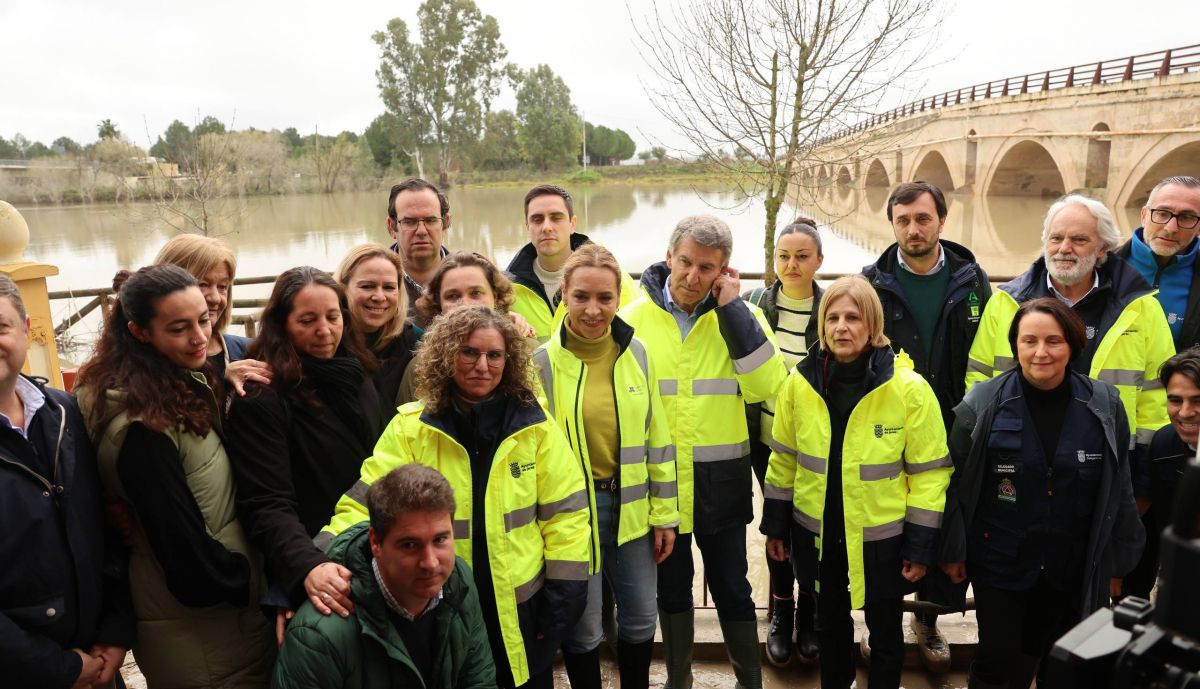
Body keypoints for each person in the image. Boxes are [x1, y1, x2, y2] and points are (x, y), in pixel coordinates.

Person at [320, 306, 590, 689]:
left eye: (494, 355)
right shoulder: (412, 429)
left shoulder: (536, 428)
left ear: (508, 360)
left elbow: (566, 518)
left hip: (521, 610)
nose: (483, 365)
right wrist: (316, 562)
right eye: (469, 352)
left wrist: (563, 600)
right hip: (441, 607)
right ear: (447, 355)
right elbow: (365, 504)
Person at [75, 265, 274, 687]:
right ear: (140, 332)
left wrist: (219, 376)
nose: (201, 337)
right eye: (180, 328)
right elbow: (187, 560)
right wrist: (249, 578)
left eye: (204, 320)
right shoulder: (144, 425)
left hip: (210, 626)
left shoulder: (169, 388)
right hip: (204, 631)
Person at [619, 215, 788, 689]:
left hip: (722, 481)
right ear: (669, 256)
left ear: (725, 271)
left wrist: (734, 312)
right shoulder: (632, 317)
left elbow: (766, 386)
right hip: (661, 487)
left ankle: (748, 681)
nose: (693, 277)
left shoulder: (743, 317)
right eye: (686, 263)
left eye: (707, 268)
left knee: (733, 587)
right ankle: (679, 679)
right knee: (672, 590)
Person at [941, 297, 1144, 689]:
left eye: (1053, 341)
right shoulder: (981, 405)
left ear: (1071, 344)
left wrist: (1117, 564)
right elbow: (953, 485)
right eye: (1028, 340)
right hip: (1001, 567)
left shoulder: (1104, 406)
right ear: (1015, 345)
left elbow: (1119, 489)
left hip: (1073, 570)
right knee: (999, 667)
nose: (1040, 352)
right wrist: (953, 552)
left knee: (1066, 669)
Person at [762, 275, 952, 689]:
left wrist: (920, 546)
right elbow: (784, 459)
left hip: (882, 537)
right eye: (832, 317)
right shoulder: (800, 382)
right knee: (829, 625)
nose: (841, 327)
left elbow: (930, 474)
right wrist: (776, 525)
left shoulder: (908, 389)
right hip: (818, 532)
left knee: (884, 633)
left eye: (853, 317)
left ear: (873, 326)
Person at [965, 194, 1174, 519]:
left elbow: (1159, 400)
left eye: (1079, 239)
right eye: (1056, 238)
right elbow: (979, 380)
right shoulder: (1005, 303)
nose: (1064, 248)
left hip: (1109, 467)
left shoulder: (1141, 309)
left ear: (1103, 249)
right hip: (1017, 465)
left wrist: (1142, 482)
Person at [530, 244, 679, 689]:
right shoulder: (541, 363)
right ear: (564, 298)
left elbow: (659, 438)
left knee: (639, 618)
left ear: (618, 298)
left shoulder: (640, 354)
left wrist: (665, 515)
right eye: (581, 297)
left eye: (605, 298)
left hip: (632, 508)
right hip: (573, 516)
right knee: (584, 624)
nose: (594, 310)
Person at [862, 180, 991, 669]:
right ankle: (885, 624)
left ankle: (929, 620)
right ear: (892, 224)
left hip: (957, 426)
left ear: (942, 219)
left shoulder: (973, 280)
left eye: (922, 218)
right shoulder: (872, 281)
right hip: (892, 432)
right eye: (903, 220)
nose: (913, 229)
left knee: (944, 525)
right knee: (893, 528)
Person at [225, 267, 384, 633]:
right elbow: (267, 503)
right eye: (307, 320)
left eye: (333, 317)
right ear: (282, 325)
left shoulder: (358, 373)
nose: (325, 331)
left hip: (375, 551)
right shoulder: (263, 397)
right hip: (320, 558)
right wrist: (305, 568)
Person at [0, 274, 134, 689]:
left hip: (97, 665)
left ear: (25, 330)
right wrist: (59, 670)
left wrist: (114, 633)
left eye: (0, 328)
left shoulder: (64, 413)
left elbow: (107, 527)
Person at [271, 464, 496, 689]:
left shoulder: (459, 581)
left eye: (440, 540)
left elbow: (479, 681)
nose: (430, 562)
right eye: (410, 545)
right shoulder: (319, 634)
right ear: (376, 542)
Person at [741, 217, 824, 667]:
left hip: (814, 445)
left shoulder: (832, 308)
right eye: (783, 256)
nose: (791, 265)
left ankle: (808, 610)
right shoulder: (756, 303)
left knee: (809, 526)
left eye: (802, 257)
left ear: (819, 261)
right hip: (765, 440)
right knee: (776, 524)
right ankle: (781, 608)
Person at [506, 184, 637, 341]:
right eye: (537, 219)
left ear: (572, 224)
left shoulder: (617, 281)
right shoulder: (507, 291)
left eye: (556, 218)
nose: (546, 227)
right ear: (527, 226)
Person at [1121, 346, 1200, 600]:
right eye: (1175, 400)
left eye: (1197, 400)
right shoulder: (1164, 446)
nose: (1185, 412)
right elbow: (1163, 532)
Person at [154, 233, 271, 394]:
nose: (216, 298)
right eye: (202, 284)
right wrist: (221, 381)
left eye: (222, 286)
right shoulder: (143, 364)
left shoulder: (248, 351)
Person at [335, 243, 423, 418]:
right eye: (367, 286)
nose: (379, 297)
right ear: (342, 288)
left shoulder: (416, 341)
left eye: (389, 287)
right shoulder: (325, 340)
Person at [1114, 176, 1200, 351]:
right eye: (1162, 213)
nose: (1171, 228)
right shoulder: (1100, 268)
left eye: (1186, 217)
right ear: (1144, 215)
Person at [386, 178, 452, 328]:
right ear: (392, 227)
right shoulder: (373, 286)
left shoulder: (471, 278)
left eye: (430, 220)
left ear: (445, 223)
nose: (421, 231)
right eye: (409, 222)